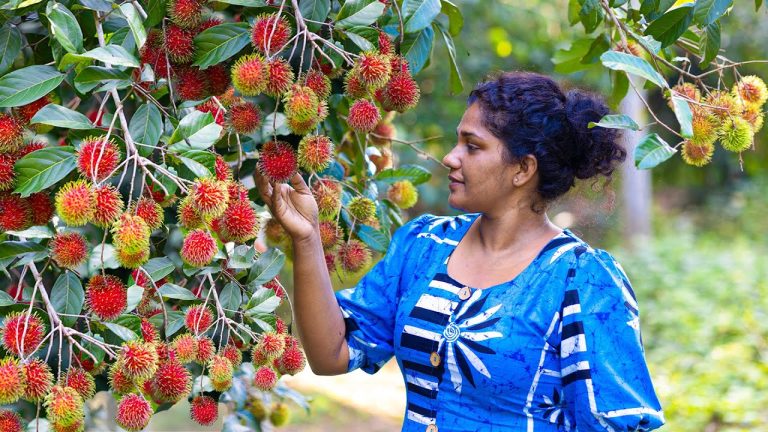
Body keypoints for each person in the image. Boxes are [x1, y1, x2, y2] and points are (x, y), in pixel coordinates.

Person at [255, 71, 664, 431]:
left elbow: (617, 423)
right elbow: (332, 355)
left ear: (523, 169)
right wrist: (307, 238)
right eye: (457, 141)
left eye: (472, 146)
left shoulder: (582, 279)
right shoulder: (424, 245)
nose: (451, 157)